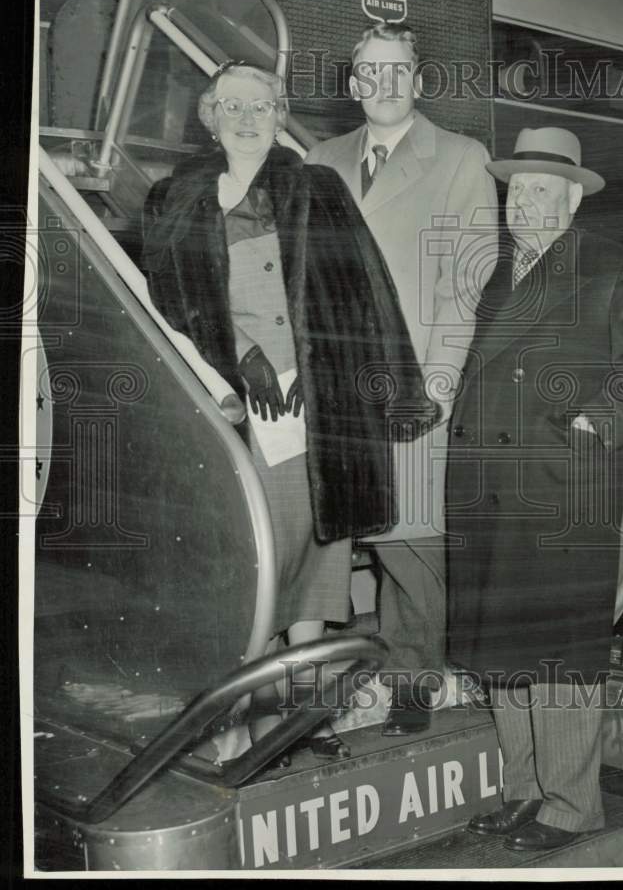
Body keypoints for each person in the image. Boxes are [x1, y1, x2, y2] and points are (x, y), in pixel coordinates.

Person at [141, 62, 435, 762]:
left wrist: (391, 388)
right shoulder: (172, 199)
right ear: (209, 116)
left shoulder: (317, 189)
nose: (248, 118)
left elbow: (369, 290)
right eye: (232, 106)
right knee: (250, 554)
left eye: (263, 105)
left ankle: (305, 719)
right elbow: (163, 310)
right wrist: (232, 364)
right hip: (232, 407)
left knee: (317, 550)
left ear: (280, 116)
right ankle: (233, 717)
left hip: (320, 404)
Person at [446, 127, 623, 850]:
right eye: (517, 189)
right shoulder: (491, 274)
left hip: (561, 484)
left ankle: (573, 805)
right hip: (485, 485)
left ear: (573, 198)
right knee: (501, 650)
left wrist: (593, 423)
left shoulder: (615, 265)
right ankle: (524, 790)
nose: (527, 203)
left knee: (559, 653)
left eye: (543, 190)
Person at [305, 23, 498, 735]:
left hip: (413, 384)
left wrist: (442, 380)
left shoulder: (458, 157)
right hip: (336, 388)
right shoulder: (320, 159)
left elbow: (467, 282)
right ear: (353, 86)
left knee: (412, 537)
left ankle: (418, 683)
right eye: (368, 72)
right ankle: (397, 672)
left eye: (398, 70)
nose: (382, 84)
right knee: (370, 530)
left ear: (418, 81)